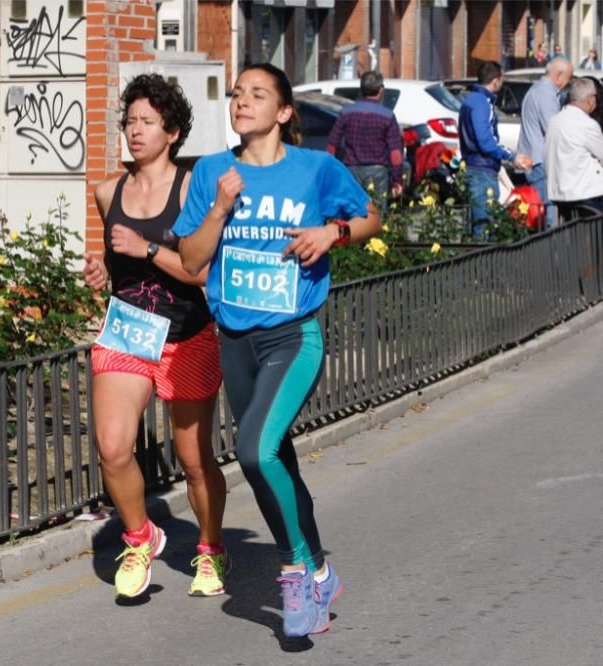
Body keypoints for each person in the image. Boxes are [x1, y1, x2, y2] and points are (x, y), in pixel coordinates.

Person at [173, 63, 381, 638]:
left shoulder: (316, 169)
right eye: (237, 93)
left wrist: (331, 234)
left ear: (285, 112)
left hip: (293, 335)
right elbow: (191, 261)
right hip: (234, 339)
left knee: (254, 450)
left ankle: (295, 574)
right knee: (275, 459)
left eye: (257, 94)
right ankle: (318, 570)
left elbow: (368, 218)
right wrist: (217, 208)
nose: (242, 101)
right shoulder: (213, 172)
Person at [82, 73, 228, 600]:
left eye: (147, 122)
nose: (134, 131)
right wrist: (101, 270)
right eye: (129, 121)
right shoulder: (107, 191)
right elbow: (115, 262)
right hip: (127, 331)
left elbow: (203, 273)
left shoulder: (192, 189)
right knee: (113, 446)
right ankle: (141, 537)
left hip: (186, 334)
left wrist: (145, 247)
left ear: (172, 132)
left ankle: (210, 549)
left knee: (194, 460)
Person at [458, 60, 532, 237]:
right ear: (496, 80)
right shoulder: (482, 103)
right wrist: (511, 156)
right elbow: (486, 141)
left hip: (473, 165)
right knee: (484, 225)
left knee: (480, 223)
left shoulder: (470, 100)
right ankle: (480, 264)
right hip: (481, 169)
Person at [326, 70, 405, 202]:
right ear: (381, 90)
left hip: (351, 172)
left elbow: (332, 145)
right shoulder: (387, 116)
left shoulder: (346, 112)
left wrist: (328, 171)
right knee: (377, 214)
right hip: (377, 172)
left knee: (353, 214)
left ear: (362, 89)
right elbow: (395, 153)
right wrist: (397, 180)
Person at [516, 57, 573, 228]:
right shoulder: (546, 94)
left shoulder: (537, 90)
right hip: (541, 161)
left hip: (534, 158)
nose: (567, 83)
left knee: (540, 212)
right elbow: (553, 129)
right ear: (559, 76)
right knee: (545, 215)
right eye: (568, 78)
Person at [544, 77, 603, 218]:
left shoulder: (555, 120)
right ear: (590, 99)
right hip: (586, 193)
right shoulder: (586, 124)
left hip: (560, 191)